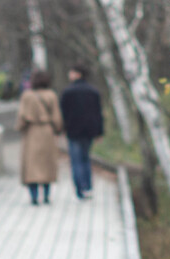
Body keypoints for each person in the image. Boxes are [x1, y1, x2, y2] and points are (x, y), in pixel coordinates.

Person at [15, 69, 63, 205]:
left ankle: (34, 196)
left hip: (32, 132)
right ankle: (47, 195)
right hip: (47, 132)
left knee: (32, 164)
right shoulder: (51, 95)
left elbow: (22, 116)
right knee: (47, 163)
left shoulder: (27, 96)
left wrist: (20, 128)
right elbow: (56, 117)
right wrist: (57, 129)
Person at [59, 63, 104, 199]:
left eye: (72, 72)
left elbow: (63, 113)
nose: (69, 75)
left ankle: (80, 189)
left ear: (77, 74)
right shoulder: (93, 91)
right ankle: (88, 186)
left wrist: (62, 129)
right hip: (89, 130)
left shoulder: (67, 92)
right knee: (85, 158)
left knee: (76, 160)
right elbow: (98, 113)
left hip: (73, 130)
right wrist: (99, 132)